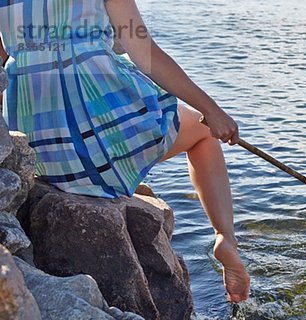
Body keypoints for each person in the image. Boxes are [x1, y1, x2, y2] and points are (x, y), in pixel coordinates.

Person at [0, 0, 250, 303]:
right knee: (203, 134)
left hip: (40, 145)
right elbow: (144, 53)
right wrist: (212, 110)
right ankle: (225, 238)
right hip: (95, 145)